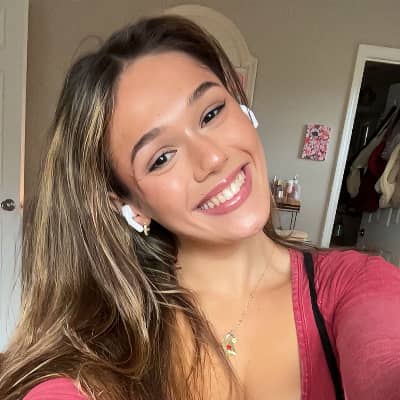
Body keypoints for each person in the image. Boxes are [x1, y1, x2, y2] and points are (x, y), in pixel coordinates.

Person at [0, 14, 399, 400]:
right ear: (130, 205)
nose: (212, 158)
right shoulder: (101, 343)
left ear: (241, 106)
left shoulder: (355, 284)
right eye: (161, 158)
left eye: (211, 113)